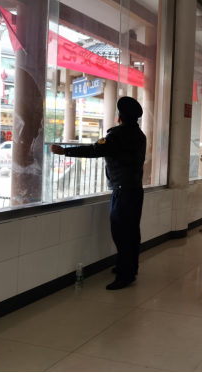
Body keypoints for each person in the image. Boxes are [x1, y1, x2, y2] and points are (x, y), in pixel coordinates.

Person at [50, 97, 146, 290]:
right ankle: (130, 266)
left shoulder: (117, 135)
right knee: (132, 231)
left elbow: (94, 150)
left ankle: (125, 275)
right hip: (136, 189)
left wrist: (65, 151)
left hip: (122, 191)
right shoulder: (139, 134)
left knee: (120, 233)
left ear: (119, 117)